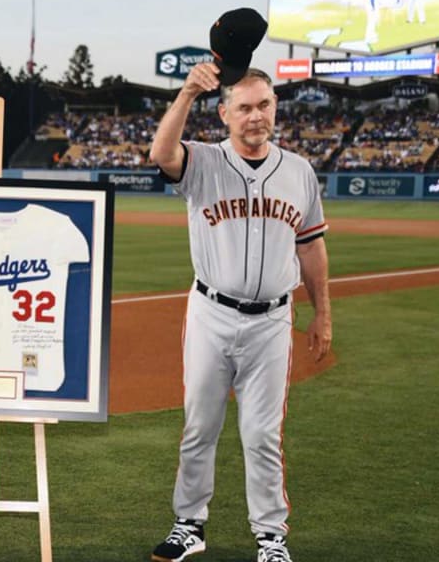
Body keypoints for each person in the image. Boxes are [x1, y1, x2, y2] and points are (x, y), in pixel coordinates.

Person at [147, 64, 332, 562]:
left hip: (273, 321)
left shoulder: (298, 171)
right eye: (245, 107)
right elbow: (161, 154)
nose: (256, 116)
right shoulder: (203, 161)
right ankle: (190, 524)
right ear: (225, 113)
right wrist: (188, 91)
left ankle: (271, 538)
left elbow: (311, 248)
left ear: (275, 107)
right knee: (200, 425)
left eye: (265, 105)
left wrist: (323, 314)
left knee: (262, 434)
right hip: (211, 313)